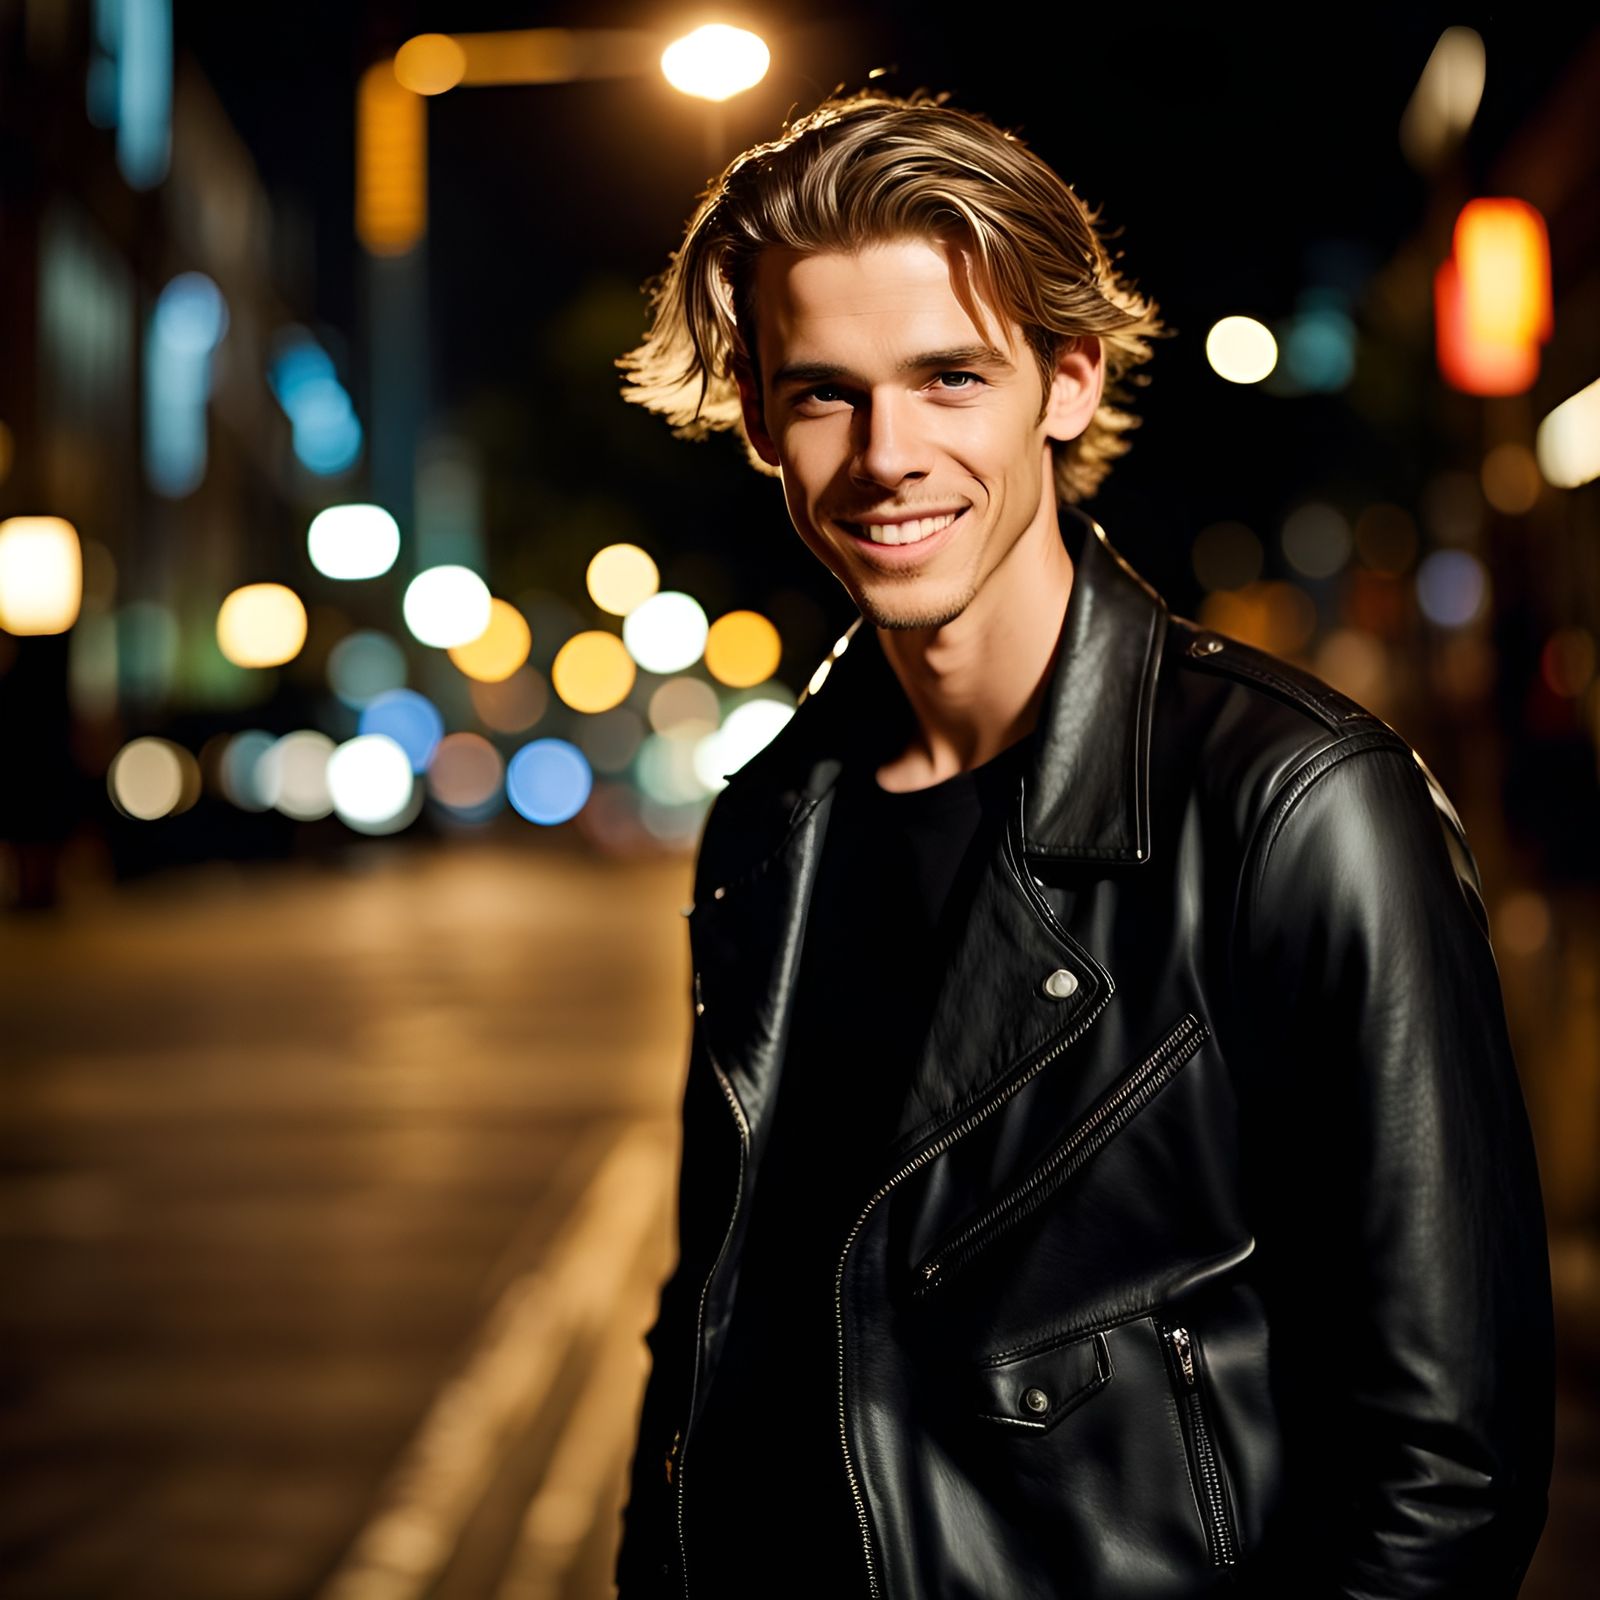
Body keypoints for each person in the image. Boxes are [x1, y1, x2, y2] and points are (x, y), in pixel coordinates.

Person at [611, 88, 1555, 1598]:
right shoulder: (769, 824)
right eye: (822, 394)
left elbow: (1445, 1468)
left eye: (948, 380)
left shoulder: (1296, 806)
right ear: (757, 419)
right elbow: (715, 1319)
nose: (886, 457)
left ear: (1067, 380)